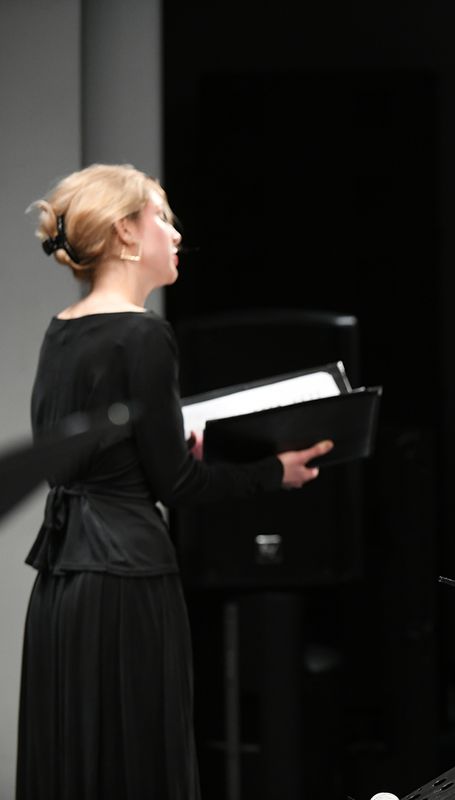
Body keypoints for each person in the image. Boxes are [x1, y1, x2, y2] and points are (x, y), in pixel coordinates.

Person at [18, 163, 333, 800]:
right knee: (137, 759)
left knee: (77, 760)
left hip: (62, 581)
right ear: (125, 233)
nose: (176, 234)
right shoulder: (143, 334)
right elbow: (179, 486)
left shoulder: (61, 330)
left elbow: (85, 460)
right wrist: (275, 471)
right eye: (161, 218)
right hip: (126, 576)